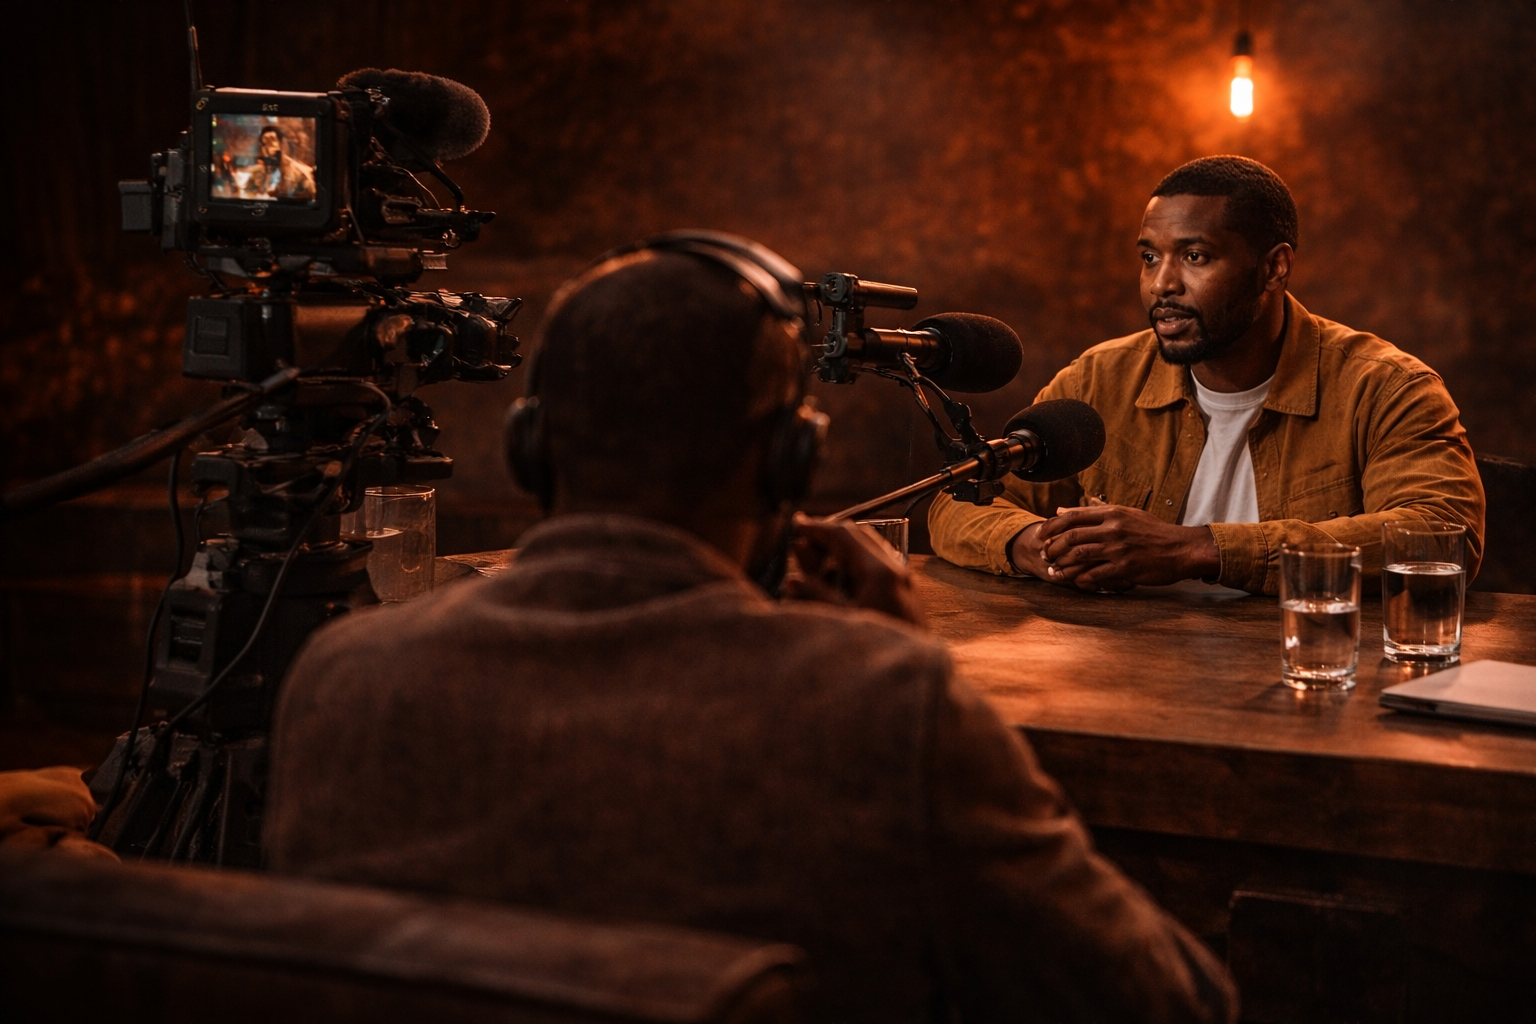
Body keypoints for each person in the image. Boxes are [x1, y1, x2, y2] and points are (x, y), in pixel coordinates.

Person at [265, 234, 1237, 1023]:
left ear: (531, 447)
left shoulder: (342, 677)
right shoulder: (887, 706)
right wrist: (892, 658)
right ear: (787, 458)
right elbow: (1172, 1001)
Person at [930, 156, 1484, 595]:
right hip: (1126, 676)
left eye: (1194, 257)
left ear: (1273, 268)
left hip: (1311, 675)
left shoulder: (1386, 387)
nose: (1161, 285)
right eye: (1149, 258)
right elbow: (958, 502)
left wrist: (1192, 549)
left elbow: (1442, 532)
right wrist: (1033, 544)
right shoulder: (1101, 378)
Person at [253, 125, 316, 200]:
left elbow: (309, 194)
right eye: (265, 143)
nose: (269, 147)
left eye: (272, 140)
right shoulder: (257, 173)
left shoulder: (298, 172)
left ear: (282, 143)